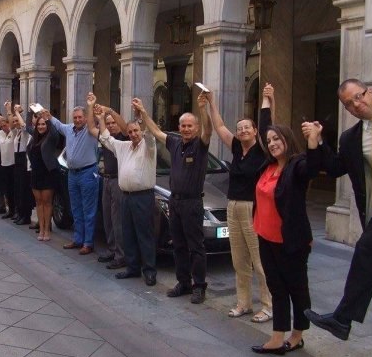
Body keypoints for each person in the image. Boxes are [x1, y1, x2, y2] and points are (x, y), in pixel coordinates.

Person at [304, 79, 372, 341]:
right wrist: (319, 141)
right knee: (368, 252)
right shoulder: (351, 139)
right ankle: (342, 320)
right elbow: (336, 168)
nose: (357, 105)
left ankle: (342, 319)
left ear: (369, 92)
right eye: (349, 104)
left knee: (366, 251)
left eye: (358, 97)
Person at [250, 122, 323, 355]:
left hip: (291, 241)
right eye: (269, 140)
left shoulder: (297, 165)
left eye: (276, 139)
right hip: (265, 237)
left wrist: (313, 141)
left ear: (287, 139)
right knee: (276, 287)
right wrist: (266, 102)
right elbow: (262, 131)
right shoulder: (268, 165)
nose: (272, 143)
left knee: (297, 288)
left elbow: (312, 168)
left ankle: (298, 334)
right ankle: (277, 336)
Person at [204, 85, 274, 322]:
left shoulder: (262, 150)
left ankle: (268, 306)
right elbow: (220, 127)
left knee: (259, 260)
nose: (242, 131)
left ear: (255, 131)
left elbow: (267, 126)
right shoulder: (236, 147)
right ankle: (244, 303)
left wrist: (267, 100)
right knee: (239, 259)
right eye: (240, 128)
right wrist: (212, 103)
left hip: (253, 208)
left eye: (247, 127)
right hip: (233, 206)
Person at [141, 92, 212, 304]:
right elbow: (155, 131)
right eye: (183, 125)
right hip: (176, 201)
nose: (186, 129)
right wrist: (144, 112)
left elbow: (209, 130)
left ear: (196, 128)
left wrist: (202, 108)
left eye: (190, 126)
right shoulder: (175, 143)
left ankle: (199, 286)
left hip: (192, 203)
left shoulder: (201, 144)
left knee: (195, 247)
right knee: (178, 245)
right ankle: (184, 283)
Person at [97, 97, 157, 286]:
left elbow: (151, 132)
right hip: (126, 197)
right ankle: (132, 268)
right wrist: (100, 118)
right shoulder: (122, 147)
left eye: (135, 131)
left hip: (143, 197)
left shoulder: (149, 147)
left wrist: (143, 113)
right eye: (130, 131)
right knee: (128, 233)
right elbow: (105, 137)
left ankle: (149, 271)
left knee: (144, 235)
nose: (133, 134)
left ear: (141, 131)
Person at [48, 105, 99, 255]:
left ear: (85, 118)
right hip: (72, 174)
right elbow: (58, 125)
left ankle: (88, 243)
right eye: (75, 117)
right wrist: (48, 116)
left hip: (88, 173)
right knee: (75, 208)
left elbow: (93, 121)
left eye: (80, 117)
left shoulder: (90, 130)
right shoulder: (69, 128)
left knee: (88, 210)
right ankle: (78, 239)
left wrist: (90, 106)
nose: (77, 120)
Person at [86, 93, 128, 269]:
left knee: (118, 221)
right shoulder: (104, 137)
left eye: (113, 123)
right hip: (106, 180)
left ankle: (121, 255)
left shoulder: (124, 137)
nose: (111, 126)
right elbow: (90, 127)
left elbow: (125, 127)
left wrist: (109, 110)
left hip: (119, 181)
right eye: (108, 123)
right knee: (108, 218)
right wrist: (91, 107)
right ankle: (112, 250)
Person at [27, 113, 60, 241]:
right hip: (35, 173)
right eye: (39, 124)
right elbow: (27, 125)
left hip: (48, 173)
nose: (41, 126)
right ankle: (41, 229)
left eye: (43, 124)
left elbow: (55, 131)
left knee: (47, 202)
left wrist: (47, 118)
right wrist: (30, 111)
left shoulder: (51, 137)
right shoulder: (34, 137)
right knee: (39, 203)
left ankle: (47, 230)